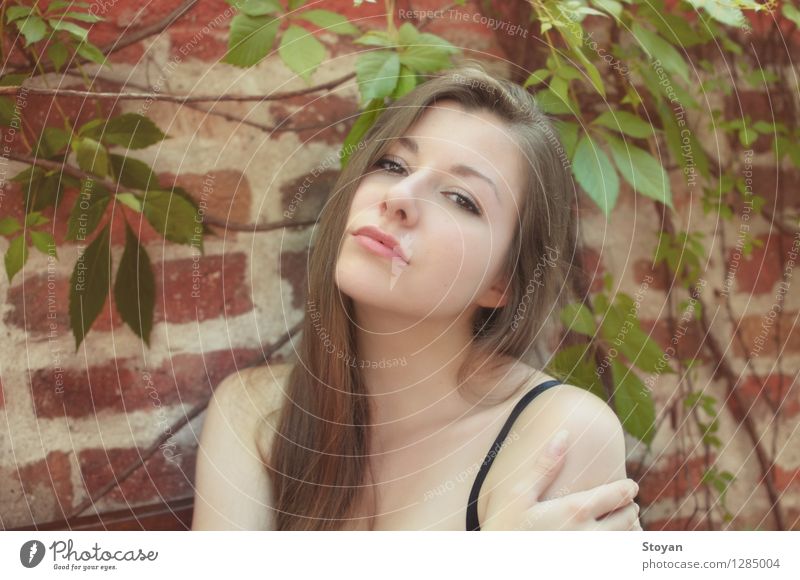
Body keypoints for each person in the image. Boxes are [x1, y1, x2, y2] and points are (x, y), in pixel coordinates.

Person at [192, 62, 642, 531]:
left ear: (502, 282)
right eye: (393, 165)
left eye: (461, 198)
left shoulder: (558, 435)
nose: (401, 196)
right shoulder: (256, 412)